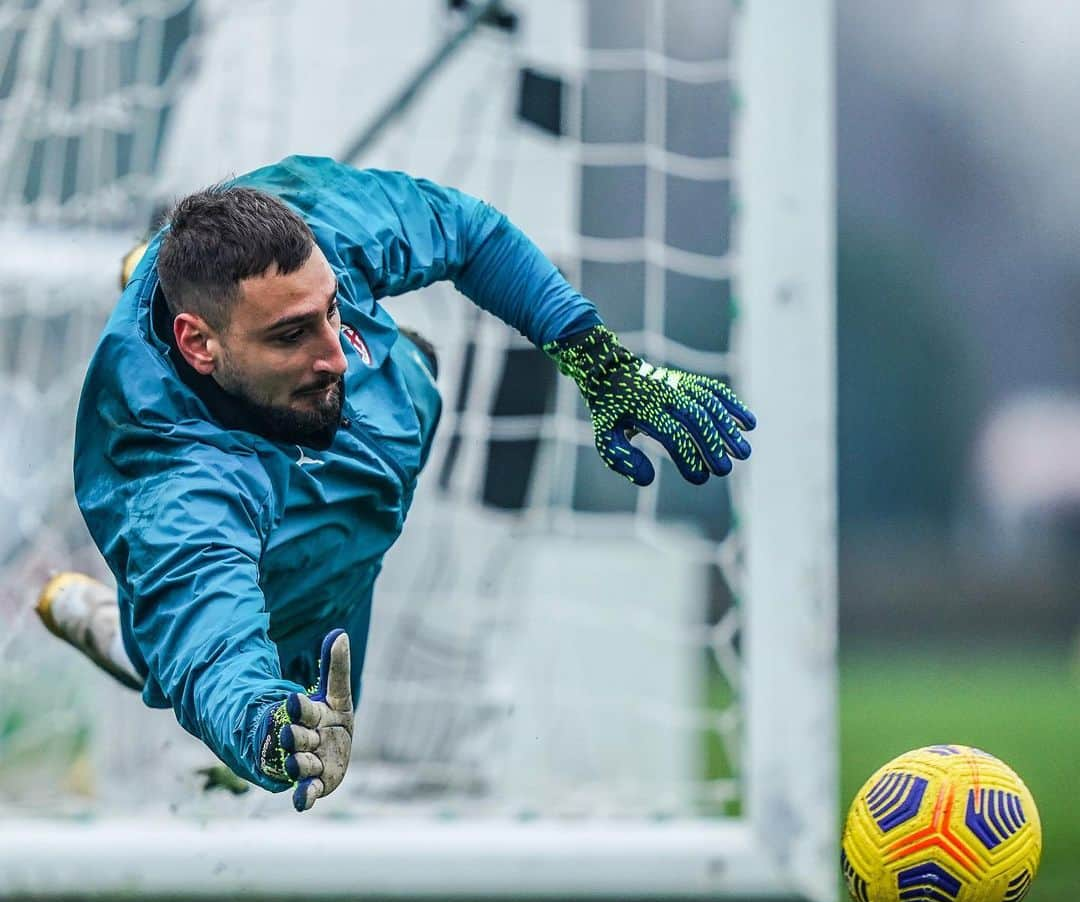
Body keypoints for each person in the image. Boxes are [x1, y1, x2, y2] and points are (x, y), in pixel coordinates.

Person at [35, 155, 756, 812]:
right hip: (276, 550)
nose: (334, 357)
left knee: (388, 380)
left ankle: (153, 273)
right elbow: (217, 650)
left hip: (356, 456)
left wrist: (601, 365)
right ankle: (141, 648)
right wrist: (262, 726)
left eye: (333, 311)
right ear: (198, 343)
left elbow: (469, 231)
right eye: (290, 335)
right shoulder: (179, 487)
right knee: (260, 698)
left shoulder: (314, 219)